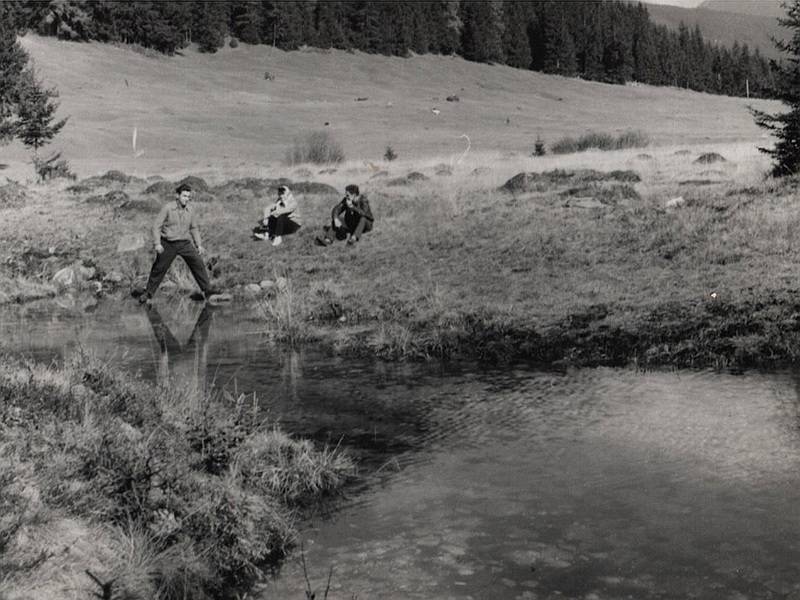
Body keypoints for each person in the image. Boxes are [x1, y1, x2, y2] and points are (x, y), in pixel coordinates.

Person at [138, 183, 218, 305]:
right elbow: (156, 226)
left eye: (188, 197)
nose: (186, 199)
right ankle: (148, 293)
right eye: (184, 196)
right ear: (177, 196)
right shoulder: (167, 208)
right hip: (168, 243)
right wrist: (157, 243)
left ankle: (207, 290)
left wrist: (199, 245)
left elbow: (194, 228)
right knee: (159, 268)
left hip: (184, 243)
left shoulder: (190, 210)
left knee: (198, 262)